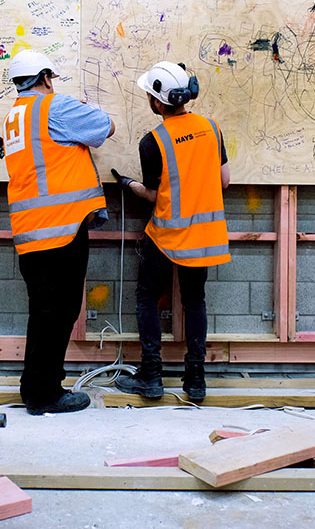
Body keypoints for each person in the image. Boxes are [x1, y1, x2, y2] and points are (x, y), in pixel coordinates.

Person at [2, 49, 115, 415]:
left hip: (32, 231)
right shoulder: (55, 108)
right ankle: (43, 393)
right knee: (58, 311)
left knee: (45, 311)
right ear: (46, 77)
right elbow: (105, 127)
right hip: (61, 229)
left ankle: (38, 386)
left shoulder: (15, 116)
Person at [110, 61, 230, 402]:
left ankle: (151, 376)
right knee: (195, 301)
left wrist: (129, 184)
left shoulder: (154, 141)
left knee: (148, 297)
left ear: (158, 103)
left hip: (165, 237)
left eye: (150, 94)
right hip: (203, 237)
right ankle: (196, 380)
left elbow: (153, 194)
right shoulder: (211, 127)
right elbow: (224, 181)